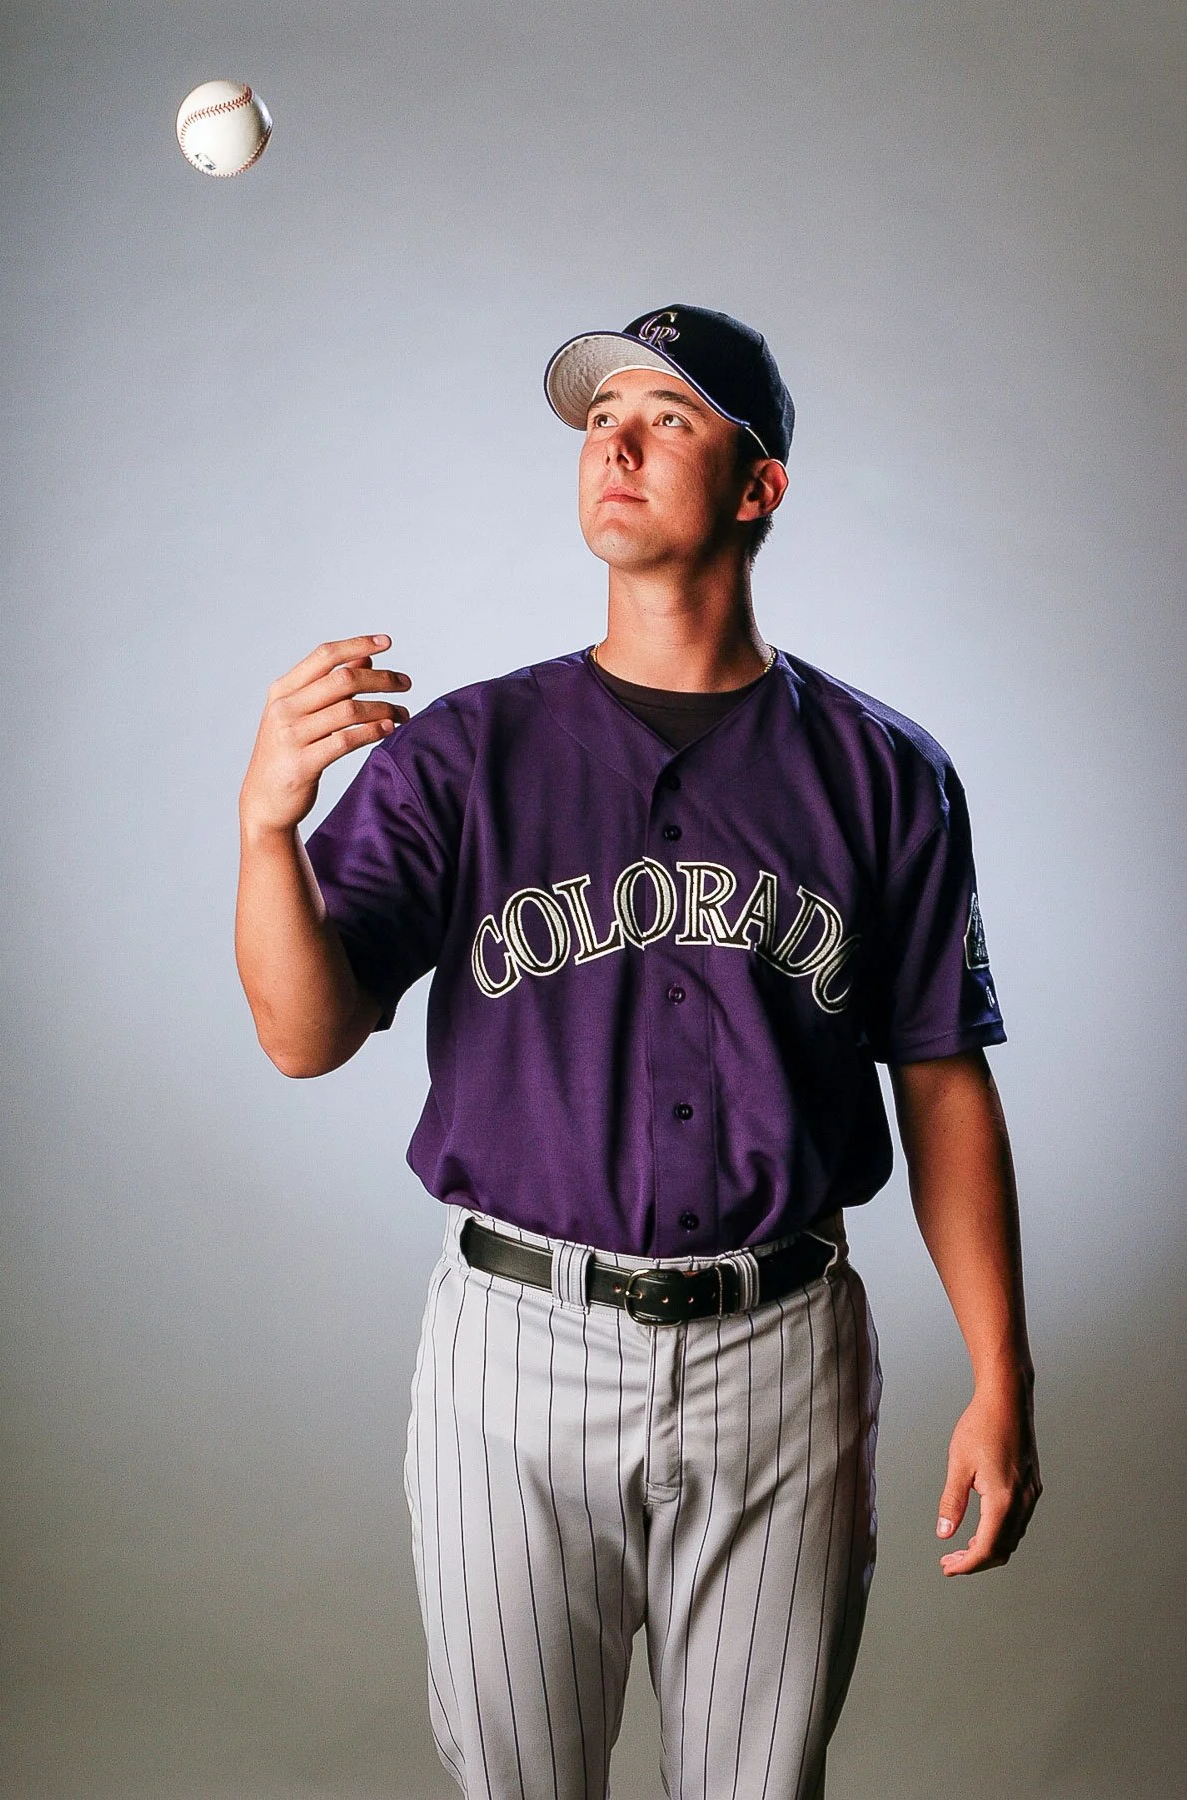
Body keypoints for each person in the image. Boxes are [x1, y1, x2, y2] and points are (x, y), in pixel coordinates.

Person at [235, 304, 1041, 1800]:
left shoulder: (885, 773)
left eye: (668, 414)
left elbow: (941, 1079)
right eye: (602, 412)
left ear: (758, 487)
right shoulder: (464, 754)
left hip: (782, 1348)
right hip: (515, 1351)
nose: (614, 436)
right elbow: (303, 1034)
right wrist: (268, 830)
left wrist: (1002, 1371)